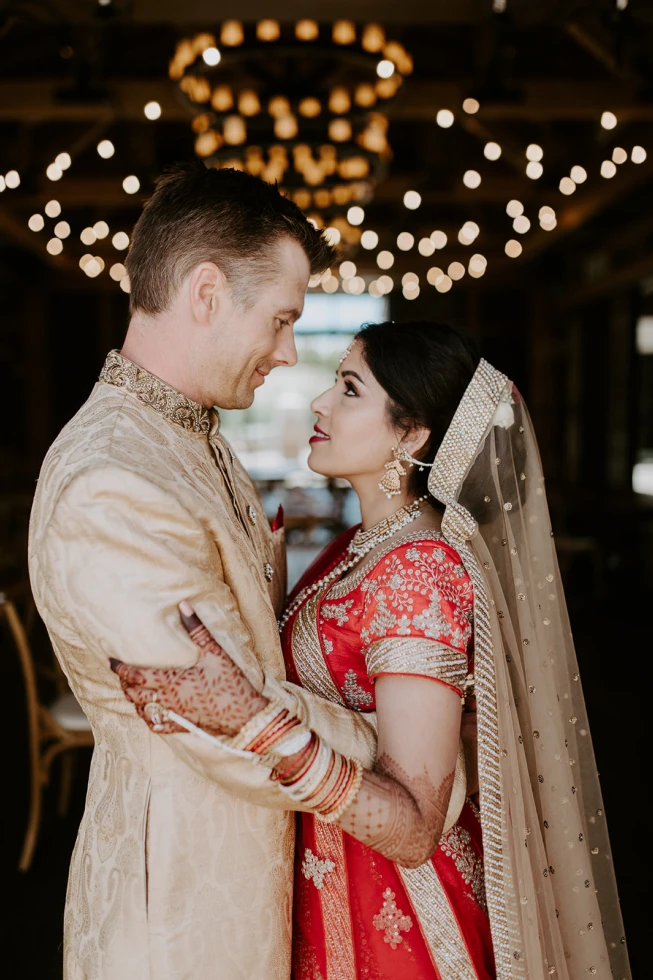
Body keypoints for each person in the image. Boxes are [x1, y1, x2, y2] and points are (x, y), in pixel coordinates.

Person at [114, 321, 631, 980]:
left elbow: (416, 828)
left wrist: (250, 717)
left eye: (350, 389)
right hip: (332, 874)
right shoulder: (365, 544)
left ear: (411, 433)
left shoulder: (418, 569)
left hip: (400, 916)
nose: (320, 404)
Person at [28, 164, 440, 980]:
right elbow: (223, 731)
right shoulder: (112, 482)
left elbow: (249, 691)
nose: (289, 355)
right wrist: (408, 761)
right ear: (207, 292)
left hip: (253, 866)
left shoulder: (189, 434)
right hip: (180, 909)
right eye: (282, 319)